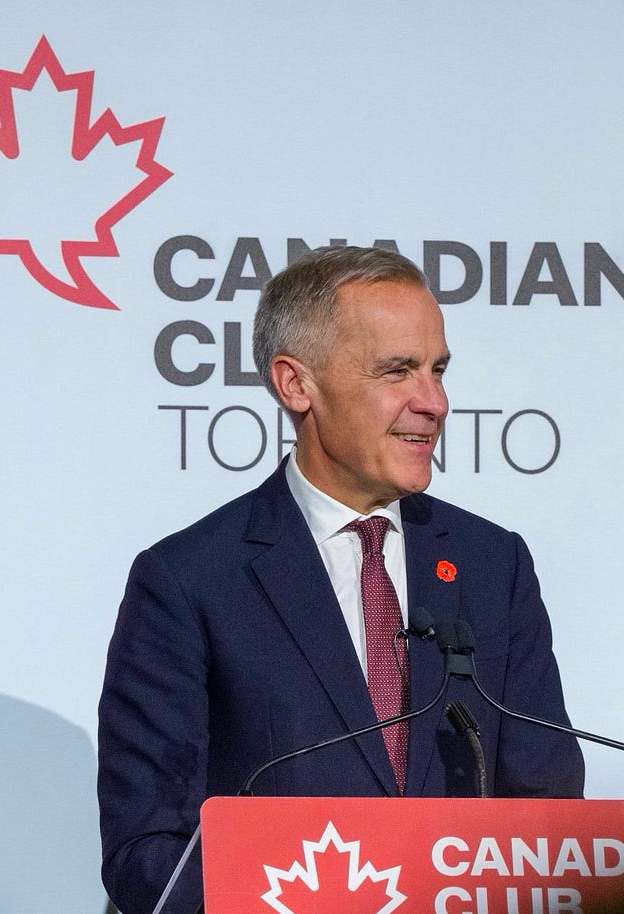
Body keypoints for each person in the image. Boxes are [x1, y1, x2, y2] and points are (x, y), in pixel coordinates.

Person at [97, 245, 584, 914]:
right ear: (297, 384)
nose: (434, 402)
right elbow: (146, 850)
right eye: (398, 371)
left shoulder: (492, 564)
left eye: (437, 370)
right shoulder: (189, 581)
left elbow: (548, 812)